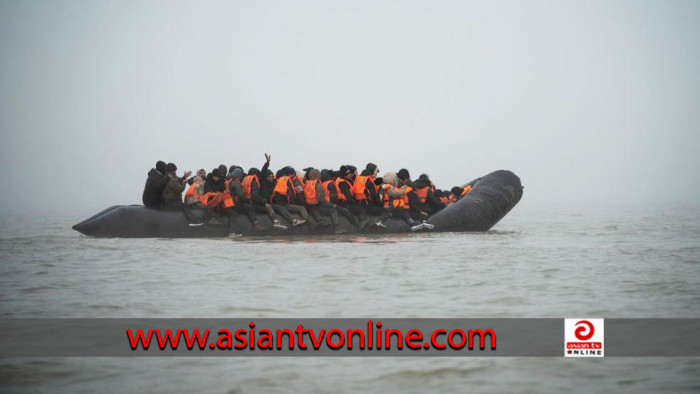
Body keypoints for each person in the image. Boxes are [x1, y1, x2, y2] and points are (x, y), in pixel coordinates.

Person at [304, 169, 345, 234]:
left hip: (311, 207)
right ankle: (337, 228)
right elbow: (321, 200)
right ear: (318, 176)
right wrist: (331, 205)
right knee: (333, 210)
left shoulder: (307, 184)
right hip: (318, 206)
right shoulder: (318, 185)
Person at [227, 167, 262, 233]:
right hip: (235, 204)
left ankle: (255, 224)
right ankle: (256, 224)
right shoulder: (235, 183)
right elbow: (240, 195)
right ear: (239, 175)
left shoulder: (231, 181)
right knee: (250, 207)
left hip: (231, 203)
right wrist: (247, 200)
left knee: (246, 208)